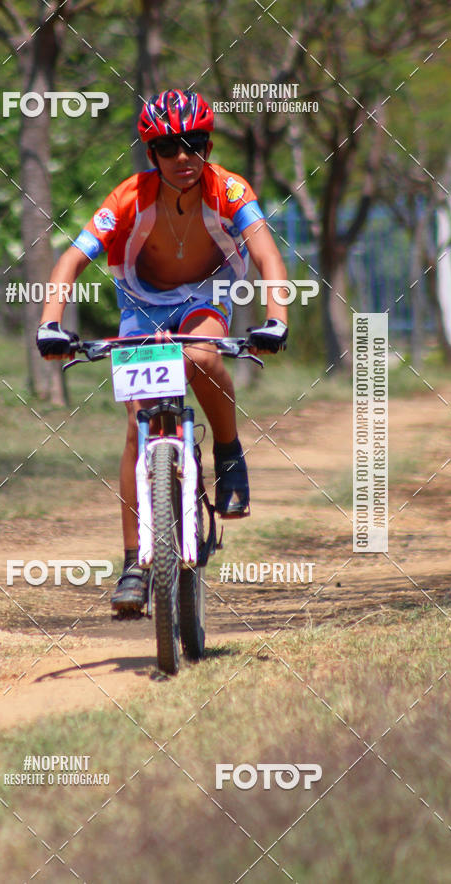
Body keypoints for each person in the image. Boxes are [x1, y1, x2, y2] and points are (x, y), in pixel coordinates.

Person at [36, 89, 288, 614]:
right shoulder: (129, 196)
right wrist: (50, 326)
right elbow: (70, 261)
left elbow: (267, 254)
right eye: (168, 147)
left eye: (193, 144)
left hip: (206, 294)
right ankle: (134, 562)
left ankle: (228, 452)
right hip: (141, 303)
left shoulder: (230, 189)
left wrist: (276, 319)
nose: (182, 157)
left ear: (208, 147)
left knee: (201, 356)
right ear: (152, 154)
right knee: (137, 426)